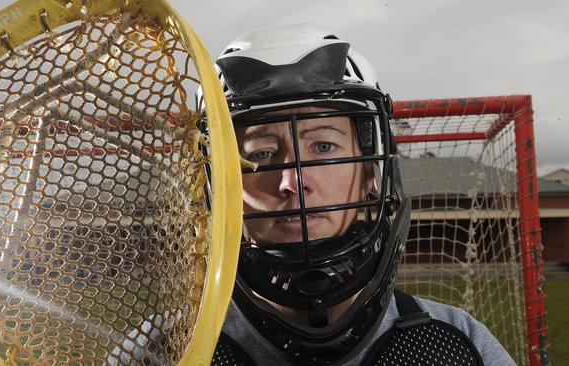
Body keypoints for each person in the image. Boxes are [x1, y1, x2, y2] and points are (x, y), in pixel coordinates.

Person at [209, 23, 516, 366]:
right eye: (261, 154)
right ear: (224, 183)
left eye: (324, 147)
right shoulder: (170, 348)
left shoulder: (458, 343)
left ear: (370, 171)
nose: (292, 182)